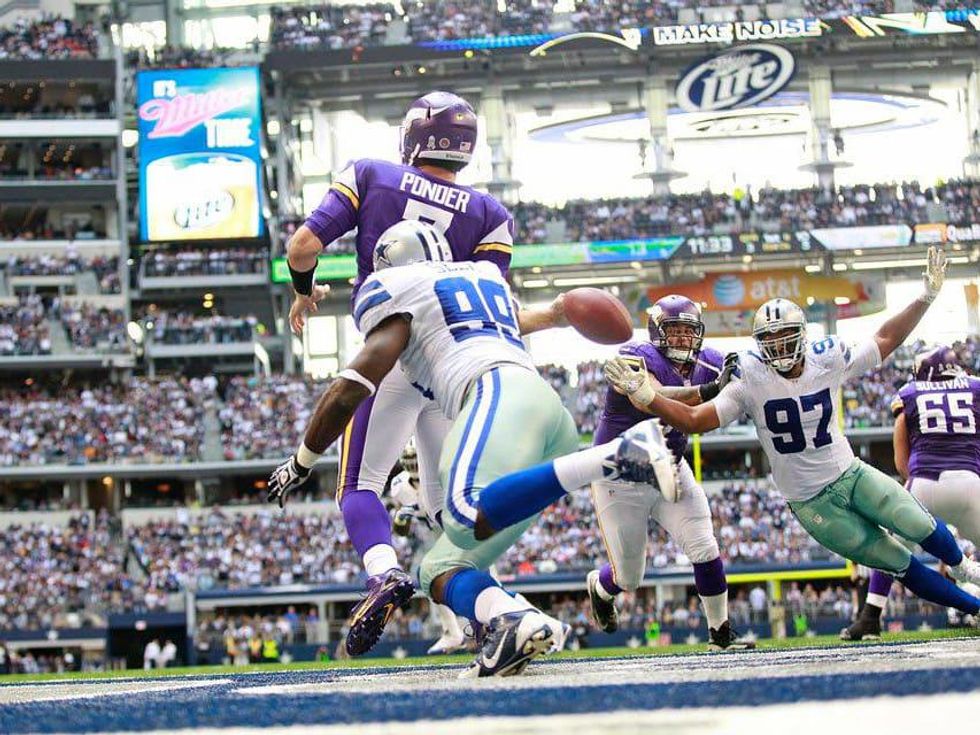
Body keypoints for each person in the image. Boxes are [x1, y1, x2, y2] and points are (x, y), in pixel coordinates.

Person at [268, 220, 671, 677]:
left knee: (461, 511)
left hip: (493, 390)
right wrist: (559, 311)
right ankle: (509, 618)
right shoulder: (483, 277)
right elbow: (523, 319)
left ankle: (617, 455)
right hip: (544, 412)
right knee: (439, 564)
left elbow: (353, 386)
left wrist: (304, 458)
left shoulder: (395, 286)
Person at [281, 90, 564, 657]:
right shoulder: (490, 214)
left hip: (389, 354)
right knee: (445, 506)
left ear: (412, 135)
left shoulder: (371, 174)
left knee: (359, 485)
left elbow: (304, 244)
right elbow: (490, 308)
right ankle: (496, 614)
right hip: (449, 369)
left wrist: (305, 292)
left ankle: (383, 572)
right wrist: (557, 314)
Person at [600, 247, 980, 619]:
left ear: (803, 334)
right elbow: (696, 421)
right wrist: (650, 396)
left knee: (917, 523)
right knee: (899, 562)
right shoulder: (750, 376)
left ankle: (966, 569)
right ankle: (975, 608)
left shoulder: (827, 357)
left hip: (849, 473)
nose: (779, 348)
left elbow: (883, 339)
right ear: (759, 345)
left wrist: (925, 298)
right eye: (770, 340)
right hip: (810, 501)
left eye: (785, 337)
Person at [585, 294, 754, 651]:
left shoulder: (710, 361)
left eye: (688, 332)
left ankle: (720, 634)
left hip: (671, 469)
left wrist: (748, 369)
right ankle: (601, 589)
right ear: (657, 332)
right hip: (621, 477)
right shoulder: (637, 355)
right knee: (629, 578)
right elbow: (655, 395)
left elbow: (742, 381)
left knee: (705, 546)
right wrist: (709, 389)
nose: (682, 339)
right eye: (674, 331)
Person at [842, 344, 980, 640]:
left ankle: (870, 618)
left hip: (924, 483)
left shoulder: (910, 394)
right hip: (971, 484)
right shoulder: (974, 388)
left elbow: (901, 460)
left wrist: (911, 482)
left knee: (890, 548)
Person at [389, 440, 467, 655]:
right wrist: (401, 517)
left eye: (416, 459)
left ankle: (489, 625)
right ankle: (452, 632)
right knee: (429, 578)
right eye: (410, 460)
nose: (414, 464)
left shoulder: (439, 477)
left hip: (457, 531)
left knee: (478, 573)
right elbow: (400, 531)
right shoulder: (399, 486)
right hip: (436, 537)